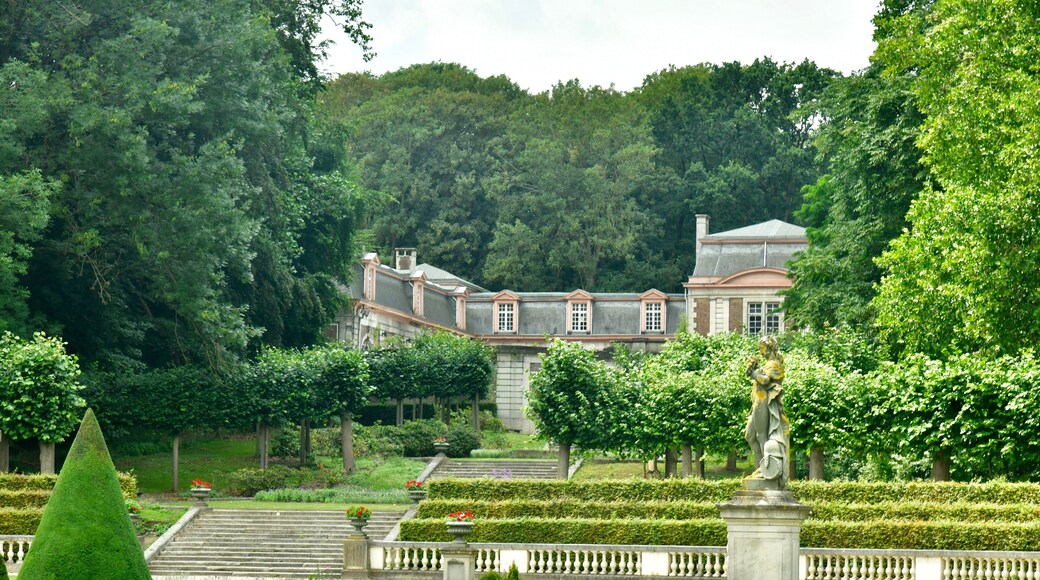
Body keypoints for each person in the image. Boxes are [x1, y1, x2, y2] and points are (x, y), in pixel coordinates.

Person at [744, 335, 789, 488]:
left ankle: (765, 468)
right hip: (757, 401)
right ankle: (760, 467)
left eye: (762, 348)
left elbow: (765, 381)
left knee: (761, 435)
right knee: (749, 435)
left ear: (769, 348)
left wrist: (752, 372)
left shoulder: (775, 364)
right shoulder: (767, 364)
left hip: (764, 402)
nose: (761, 352)